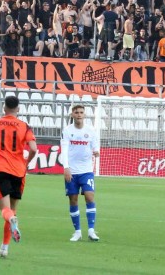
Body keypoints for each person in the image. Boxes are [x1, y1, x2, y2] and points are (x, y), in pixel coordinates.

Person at [0, 94, 38, 259]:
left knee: (6, 211)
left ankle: (12, 221)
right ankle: (4, 248)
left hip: (0, 169)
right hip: (19, 171)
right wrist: (26, 163)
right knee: (13, 209)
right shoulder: (25, 126)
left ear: (4, 108)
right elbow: (33, 149)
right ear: (18, 109)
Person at [60, 104, 100, 242]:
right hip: (72, 170)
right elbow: (64, 150)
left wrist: (96, 151)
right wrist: (66, 167)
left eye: (81, 112)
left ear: (84, 114)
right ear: (72, 114)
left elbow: (95, 146)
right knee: (73, 200)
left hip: (87, 170)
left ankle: (91, 230)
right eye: (76, 112)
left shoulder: (91, 130)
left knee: (89, 196)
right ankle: (77, 232)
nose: (79, 114)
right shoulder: (67, 130)